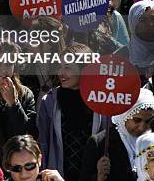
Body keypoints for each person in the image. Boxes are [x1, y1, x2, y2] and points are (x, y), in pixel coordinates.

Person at [37, 46, 106, 180]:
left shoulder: (101, 99)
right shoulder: (50, 101)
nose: (61, 73)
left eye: (67, 67)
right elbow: (43, 143)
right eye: (60, 66)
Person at [80, 88, 154, 181]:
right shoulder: (100, 143)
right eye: (137, 120)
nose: (142, 127)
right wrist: (99, 177)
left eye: (149, 121)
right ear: (125, 115)